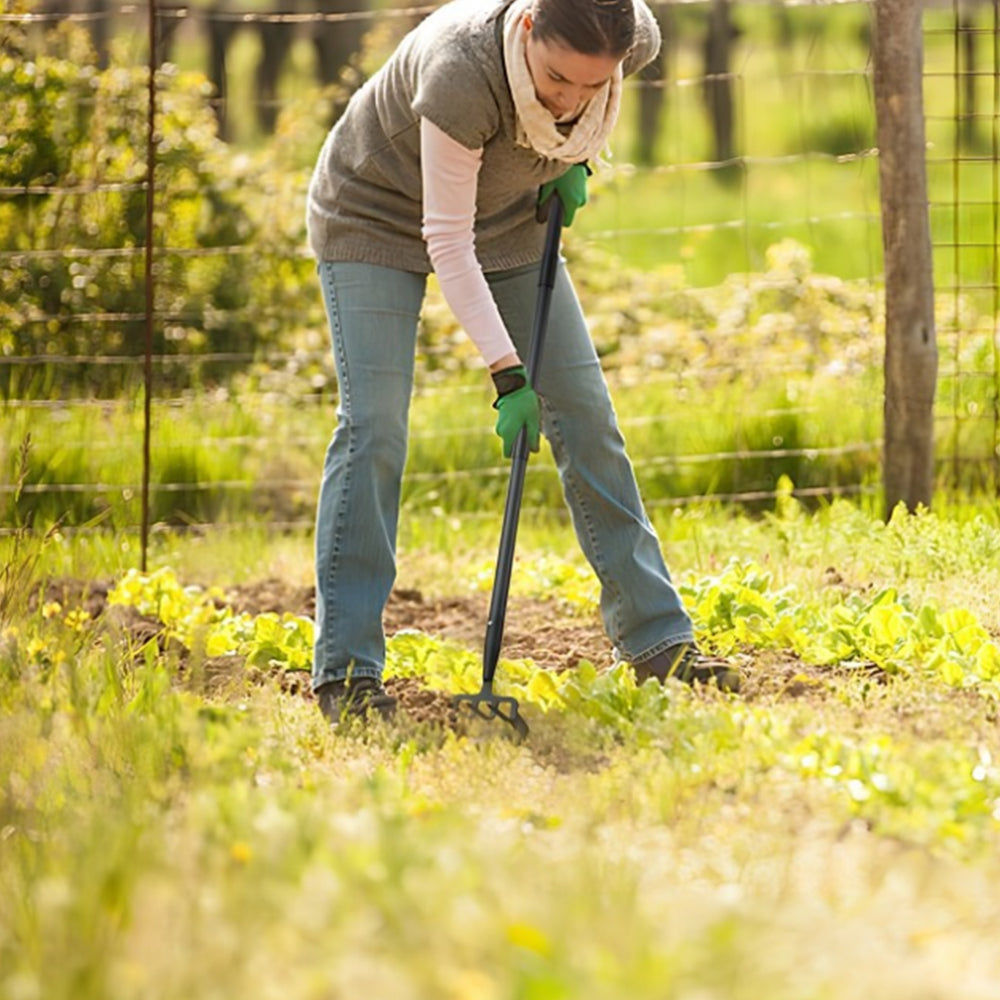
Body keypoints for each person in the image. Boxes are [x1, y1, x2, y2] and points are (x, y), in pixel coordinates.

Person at [306, 0, 740, 723]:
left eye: (589, 88)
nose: (569, 102)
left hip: (506, 220)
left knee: (587, 416)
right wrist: (508, 374)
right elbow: (446, 241)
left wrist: (573, 163)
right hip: (373, 214)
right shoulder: (462, 71)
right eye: (556, 79)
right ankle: (346, 671)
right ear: (529, 29)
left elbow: (576, 125)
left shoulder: (631, 40)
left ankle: (658, 641)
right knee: (375, 427)